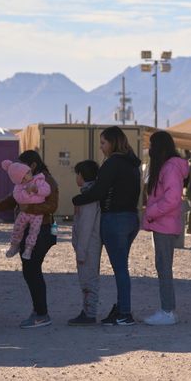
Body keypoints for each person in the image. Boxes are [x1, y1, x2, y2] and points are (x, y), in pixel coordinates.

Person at [72, 126, 141, 326]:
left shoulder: (112, 163)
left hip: (115, 219)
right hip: (131, 218)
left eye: (103, 143)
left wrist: (77, 199)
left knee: (120, 269)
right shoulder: (132, 163)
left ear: (113, 143)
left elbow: (99, 192)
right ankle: (121, 308)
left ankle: (124, 312)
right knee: (122, 266)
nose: (101, 147)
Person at [0, 150, 59, 328]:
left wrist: (28, 208)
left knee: (32, 270)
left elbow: (52, 206)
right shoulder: (27, 179)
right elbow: (15, 198)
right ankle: (38, 310)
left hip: (41, 230)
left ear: (32, 165)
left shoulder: (46, 181)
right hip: (30, 230)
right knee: (30, 270)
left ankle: (41, 314)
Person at [142, 131, 189, 326]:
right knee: (162, 266)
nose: (150, 149)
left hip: (164, 224)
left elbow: (172, 198)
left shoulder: (170, 168)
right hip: (162, 223)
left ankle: (168, 311)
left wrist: (151, 211)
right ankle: (167, 309)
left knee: (164, 268)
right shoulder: (168, 167)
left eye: (152, 145)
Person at [68, 160, 102, 326]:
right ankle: (87, 311)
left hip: (88, 246)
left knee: (88, 280)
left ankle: (90, 313)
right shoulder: (88, 194)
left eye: (77, 174)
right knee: (88, 279)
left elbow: (86, 227)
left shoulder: (88, 198)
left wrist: (80, 252)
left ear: (81, 175)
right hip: (88, 245)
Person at [2, 160, 51, 259]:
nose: (30, 173)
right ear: (22, 179)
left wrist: (36, 190)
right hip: (24, 212)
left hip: (37, 212)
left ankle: (29, 248)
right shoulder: (18, 187)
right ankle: (14, 245)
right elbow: (18, 198)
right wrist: (28, 193)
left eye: (29, 171)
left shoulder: (39, 180)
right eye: (27, 173)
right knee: (17, 227)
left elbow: (47, 191)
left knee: (34, 230)